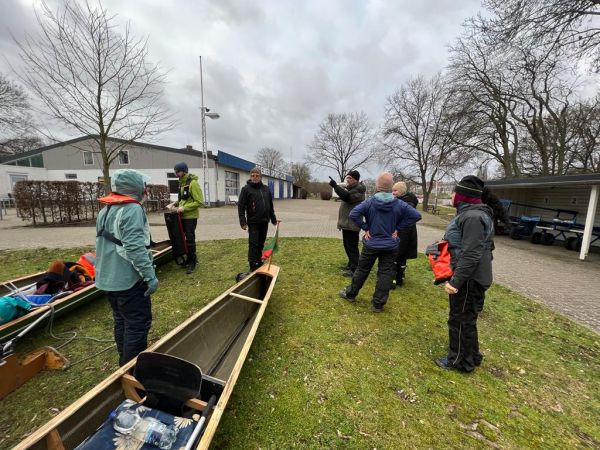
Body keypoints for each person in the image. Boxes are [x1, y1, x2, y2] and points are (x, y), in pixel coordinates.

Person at [95, 169, 159, 367]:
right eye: (143, 186)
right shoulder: (132, 209)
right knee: (137, 325)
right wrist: (149, 276)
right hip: (127, 280)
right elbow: (134, 247)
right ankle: (131, 370)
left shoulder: (106, 209)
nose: (146, 190)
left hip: (109, 280)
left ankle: (123, 365)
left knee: (122, 321)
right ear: (136, 188)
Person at [339, 172, 422, 312]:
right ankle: (378, 303)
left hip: (371, 244)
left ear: (377, 185)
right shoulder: (399, 204)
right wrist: (398, 228)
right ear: (391, 186)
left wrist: (366, 228)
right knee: (385, 272)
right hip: (390, 245)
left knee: (362, 269)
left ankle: (351, 294)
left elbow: (353, 214)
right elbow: (416, 216)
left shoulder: (370, 202)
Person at [436, 175, 494, 372]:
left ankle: (460, 361)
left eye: (454, 192)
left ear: (462, 196)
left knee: (459, 319)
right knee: (467, 318)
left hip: (469, 278)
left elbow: (471, 253)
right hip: (471, 275)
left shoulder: (473, 217)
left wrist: (456, 281)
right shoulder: (471, 215)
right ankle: (472, 355)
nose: (451, 195)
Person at [238, 167, 278, 272]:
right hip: (253, 222)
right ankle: (252, 264)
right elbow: (241, 206)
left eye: (257, 175)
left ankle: (259, 261)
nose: (255, 177)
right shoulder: (246, 189)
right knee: (253, 243)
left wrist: (273, 219)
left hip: (265, 221)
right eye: (252, 175)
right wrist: (243, 221)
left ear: (260, 177)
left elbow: (270, 205)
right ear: (250, 177)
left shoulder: (266, 189)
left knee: (261, 243)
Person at [328, 170, 366, 277]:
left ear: (356, 179)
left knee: (352, 247)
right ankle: (351, 264)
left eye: (350, 178)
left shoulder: (359, 190)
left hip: (352, 224)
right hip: (347, 224)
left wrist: (335, 186)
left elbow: (347, 197)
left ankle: (355, 269)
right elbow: (345, 195)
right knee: (347, 245)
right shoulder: (352, 189)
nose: (347, 180)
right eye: (347, 178)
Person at [168, 162, 203, 274]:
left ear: (184, 171)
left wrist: (184, 208)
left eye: (178, 171)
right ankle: (189, 259)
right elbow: (182, 199)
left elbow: (199, 201)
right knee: (183, 239)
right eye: (175, 171)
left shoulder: (193, 183)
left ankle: (192, 262)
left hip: (190, 217)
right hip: (181, 216)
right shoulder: (182, 184)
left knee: (190, 239)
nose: (176, 173)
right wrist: (174, 204)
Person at [391, 181, 419, 287]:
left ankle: (395, 278)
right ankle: (399, 277)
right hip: (403, 233)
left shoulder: (407, 203)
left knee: (397, 255)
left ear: (402, 191)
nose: (393, 193)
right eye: (392, 190)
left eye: (395, 191)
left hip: (404, 233)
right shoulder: (402, 201)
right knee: (401, 256)